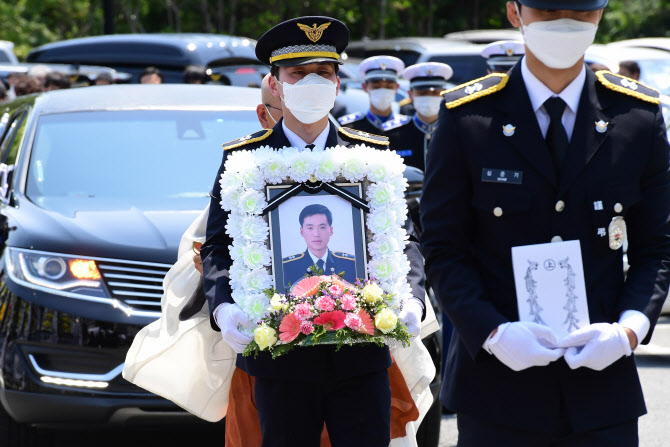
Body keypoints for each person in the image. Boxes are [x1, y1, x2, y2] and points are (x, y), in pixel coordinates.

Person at [421, 0, 670, 445]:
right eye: (548, 10)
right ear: (515, 13)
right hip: (497, 389)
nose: (564, 25)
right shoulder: (468, 118)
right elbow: (443, 248)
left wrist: (629, 329)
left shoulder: (637, 117)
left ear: (600, 14)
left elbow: (658, 245)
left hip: (601, 388)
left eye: (580, 12)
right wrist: (493, 332)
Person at [200, 15, 426, 447]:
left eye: (322, 74)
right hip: (280, 364)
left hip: (361, 359)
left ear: (338, 84)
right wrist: (224, 308)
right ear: (275, 84)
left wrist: (413, 297)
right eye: (297, 74)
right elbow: (217, 245)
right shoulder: (245, 161)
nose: (311, 83)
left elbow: (405, 238)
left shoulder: (370, 155)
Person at [383, 62, 453, 171]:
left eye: (435, 93)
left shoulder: (454, 131)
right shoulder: (391, 133)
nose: (429, 97)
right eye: (422, 93)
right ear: (410, 95)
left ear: (444, 94)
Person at [282, 204, 356, 288]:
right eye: (310, 228)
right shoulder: (287, 267)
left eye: (322, 227)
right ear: (302, 231)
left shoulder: (350, 264)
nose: (316, 234)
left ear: (331, 230)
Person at [337, 55, 409, 134]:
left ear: (396, 88)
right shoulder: (350, 128)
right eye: (376, 87)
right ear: (365, 87)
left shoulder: (408, 128)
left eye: (389, 86)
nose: (383, 91)